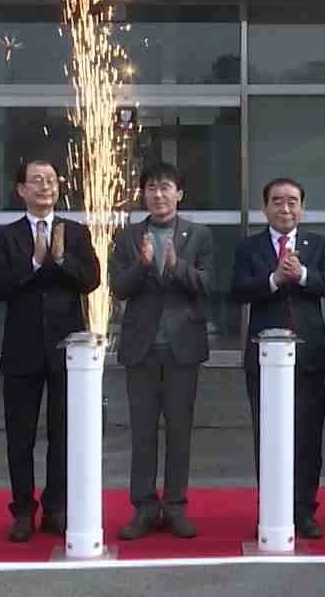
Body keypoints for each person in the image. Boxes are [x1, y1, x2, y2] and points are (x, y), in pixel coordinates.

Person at [0, 158, 100, 542]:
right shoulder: (6, 237)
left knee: (63, 433)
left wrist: (62, 259)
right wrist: (34, 262)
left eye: (50, 180)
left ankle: (56, 507)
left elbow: (91, 280)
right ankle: (22, 509)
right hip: (22, 347)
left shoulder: (75, 232)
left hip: (67, 349)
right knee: (20, 436)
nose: (45, 186)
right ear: (21, 189)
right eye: (36, 180)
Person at [234, 176, 325, 539]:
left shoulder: (318, 244)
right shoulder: (249, 247)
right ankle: (272, 507)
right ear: (264, 207)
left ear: (302, 207)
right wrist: (274, 279)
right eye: (277, 201)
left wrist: (303, 275)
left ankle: (304, 509)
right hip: (264, 355)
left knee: (308, 435)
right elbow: (238, 291)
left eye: (292, 201)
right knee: (267, 434)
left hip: (310, 353)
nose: (285, 208)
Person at [109, 163, 212, 541]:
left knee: (180, 431)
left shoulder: (199, 235)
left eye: (166, 187)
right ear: (144, 194)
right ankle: (144, 507)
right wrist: (143, 265)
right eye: (151, 188)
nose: (159, 194)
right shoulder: (127, 236)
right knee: (142, 433)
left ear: (179, 193)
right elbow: (119, 287)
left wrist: (177, 266)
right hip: (142, 349)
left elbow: (207, 284)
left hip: (183, 347)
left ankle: (176, 506)